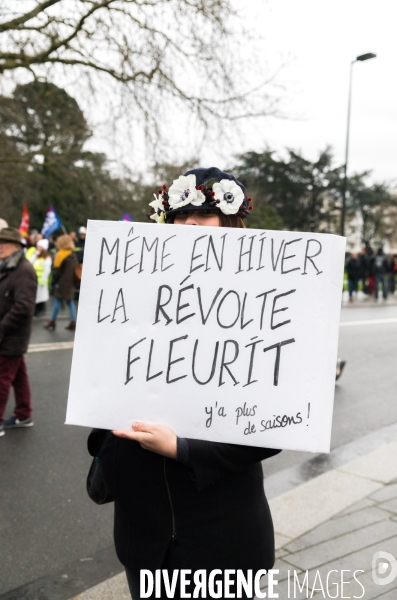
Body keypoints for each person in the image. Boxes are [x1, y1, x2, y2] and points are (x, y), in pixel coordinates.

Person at [88, 168, 281, 599]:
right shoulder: (134, 292)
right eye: (180, 213)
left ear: (232, 223)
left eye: (204, 213)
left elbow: (275, 424)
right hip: (145, 535)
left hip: (222, 538)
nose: (189, 222)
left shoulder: (262, 299)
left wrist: (183, 449)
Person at [0, 227, 37, 437]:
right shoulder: (9, 266)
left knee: (2, 379)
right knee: (17, 376)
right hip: (9, 334)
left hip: (11, 335)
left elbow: (24, 306)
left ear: (16, 247)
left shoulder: (23, 269)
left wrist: (2, 327)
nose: (0, 247)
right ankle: (24, 415)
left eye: (4, 243)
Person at [44, 234, 77, 331]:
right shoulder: (72, 254)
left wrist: (54, 281)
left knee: (57, 301)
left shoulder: (60, 254)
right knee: (70, 302)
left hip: (61, 282)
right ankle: (73, 321)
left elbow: (57, 271)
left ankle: (52, 321)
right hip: (70, 282)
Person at [29, 239, 52, 316]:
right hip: (34, 280)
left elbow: (47, 269)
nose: (37, 248)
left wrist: (43, 279)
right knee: (35, 296)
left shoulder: (47, 258)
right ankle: (35, 310)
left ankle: (39, 310)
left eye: (39, 247)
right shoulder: (36, 256)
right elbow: (29, 263)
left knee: (40, 296)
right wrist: (35, 255)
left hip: (41, 281)